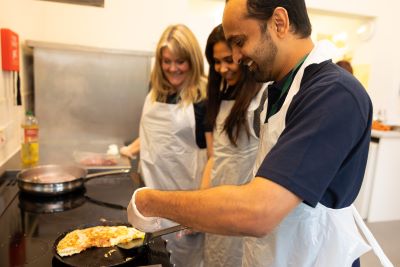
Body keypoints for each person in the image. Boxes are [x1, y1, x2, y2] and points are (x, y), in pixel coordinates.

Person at [127, 1, 393, 267]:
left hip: (313, 258)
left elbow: (259, 211)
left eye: (240, 41)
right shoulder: (276, 92)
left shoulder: (333, 94)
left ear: (279, 22)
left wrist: (151, 201)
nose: (237, 56)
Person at [121, 24, 209, 267]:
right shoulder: (155, 91)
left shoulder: (202, 97)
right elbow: (155, 135)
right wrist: (130, 150)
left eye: (180, 61)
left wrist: (199, 211)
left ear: (192, 60)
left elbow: (212, 157)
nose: (172, 68)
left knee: (183, 261)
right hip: (150, 198)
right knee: (153, 259)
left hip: (184, 201)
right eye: (166, 61)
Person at [201, 24, 267, 267]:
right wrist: (201, 202)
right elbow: (213, 158)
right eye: (216, 62)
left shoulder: (260, 100)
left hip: (244, 209)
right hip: (217, 203)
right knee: (216, 257)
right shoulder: (219, 95)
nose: (222, 68)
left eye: (228, 60)